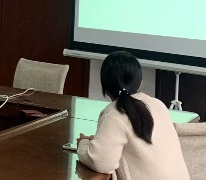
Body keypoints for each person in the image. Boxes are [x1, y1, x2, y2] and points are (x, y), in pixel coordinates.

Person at [76, 51, 189, 180]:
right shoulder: (158, 104)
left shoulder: (113, 113)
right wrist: (99, 142)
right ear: (139, 82)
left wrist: (83, 144)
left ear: (105, 86)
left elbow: (101, 162)